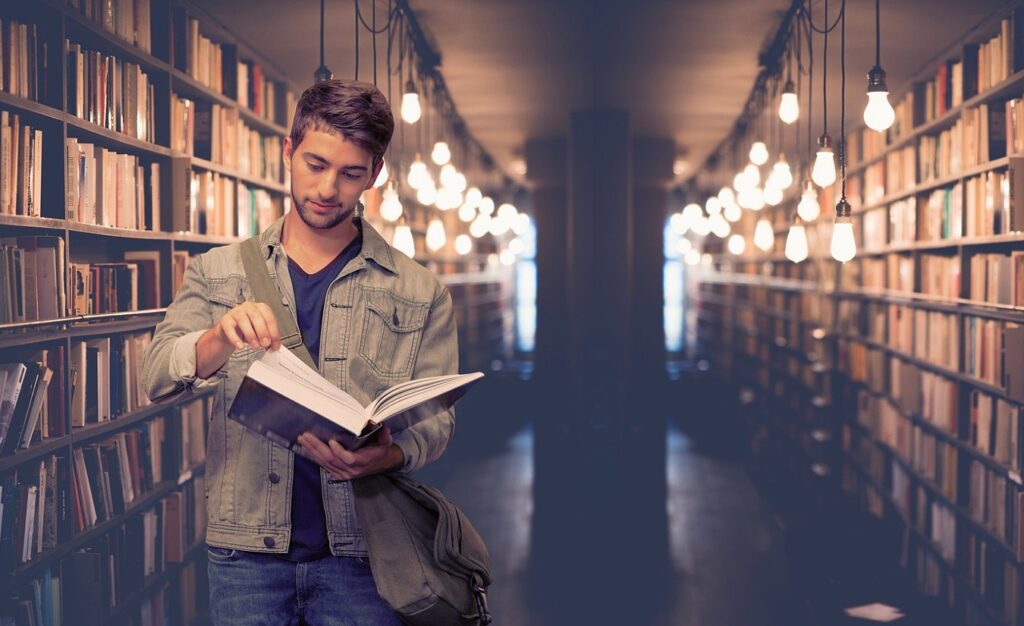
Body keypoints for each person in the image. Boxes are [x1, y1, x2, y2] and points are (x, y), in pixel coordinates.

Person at [141, 79, 458, 625]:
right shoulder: (218, 271)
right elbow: (156, 374)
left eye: (350, 173)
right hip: (246, 556)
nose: (327, 188)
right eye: (314, 164)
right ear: (288, 151)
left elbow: (437, 422)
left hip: (364, 555)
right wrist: (219, 336)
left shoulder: (419, 290)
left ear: (374, 174)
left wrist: (389, 455)